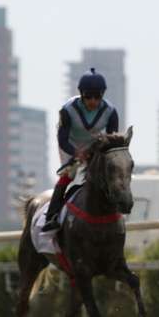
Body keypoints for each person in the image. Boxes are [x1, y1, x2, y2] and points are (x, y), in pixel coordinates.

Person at [41, 68, 119, 231]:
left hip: (93, 145)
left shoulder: (111, 112)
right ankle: (51, 216)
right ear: (81, 94)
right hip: (70, 145)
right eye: (88, 96)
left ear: (102, 95)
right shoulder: (67, 110)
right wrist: (77, 153)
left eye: (97, 96)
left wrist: (97, 154)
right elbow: (63, 140)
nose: (92, 101)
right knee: (70, 174)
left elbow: (111, 141)